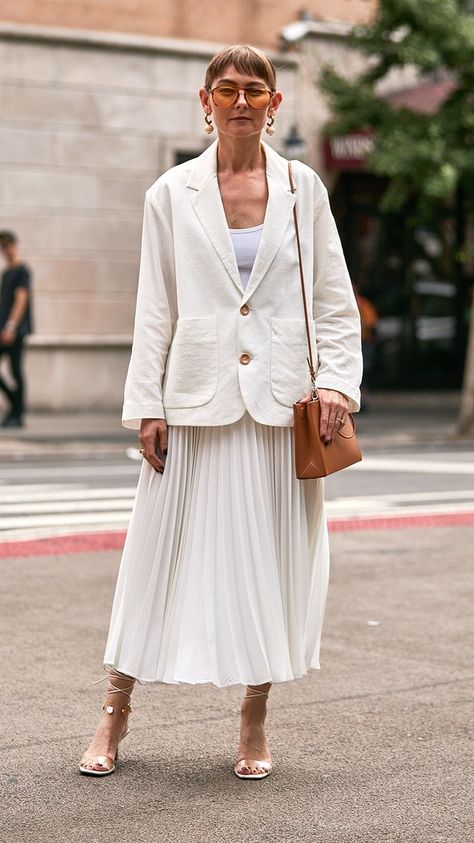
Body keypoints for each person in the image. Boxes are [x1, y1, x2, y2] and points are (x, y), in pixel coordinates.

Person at [79, 44, 362, 780]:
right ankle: (114, 710)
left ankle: (252, 717)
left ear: (275, 103)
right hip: (193, 402)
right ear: (203, 101)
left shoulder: (306, 190)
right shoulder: (170, 194)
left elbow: (333, 297)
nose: (242, 100)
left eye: (255, 89)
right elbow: (154, 308)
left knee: (268, 564)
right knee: (155, 559)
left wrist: (337, 382)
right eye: (227, 89)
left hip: (280, 404)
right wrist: (147, 403)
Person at [0, 230, 33, 427]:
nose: (4, 251)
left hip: (15, 331)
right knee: (14, 370)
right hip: (5, 330)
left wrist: (11, 327)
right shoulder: (7, 273)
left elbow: (21, 299)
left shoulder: (22, 271)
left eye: (6, 246)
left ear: (14, 245)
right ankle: (15, 405)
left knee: (15, 370)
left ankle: (17, 414)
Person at [354, 283, 379, 411]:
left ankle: (362, 400)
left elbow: (371, 323)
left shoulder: (363, 304)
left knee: (363, 373)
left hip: (363, 342)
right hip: (354, 342)